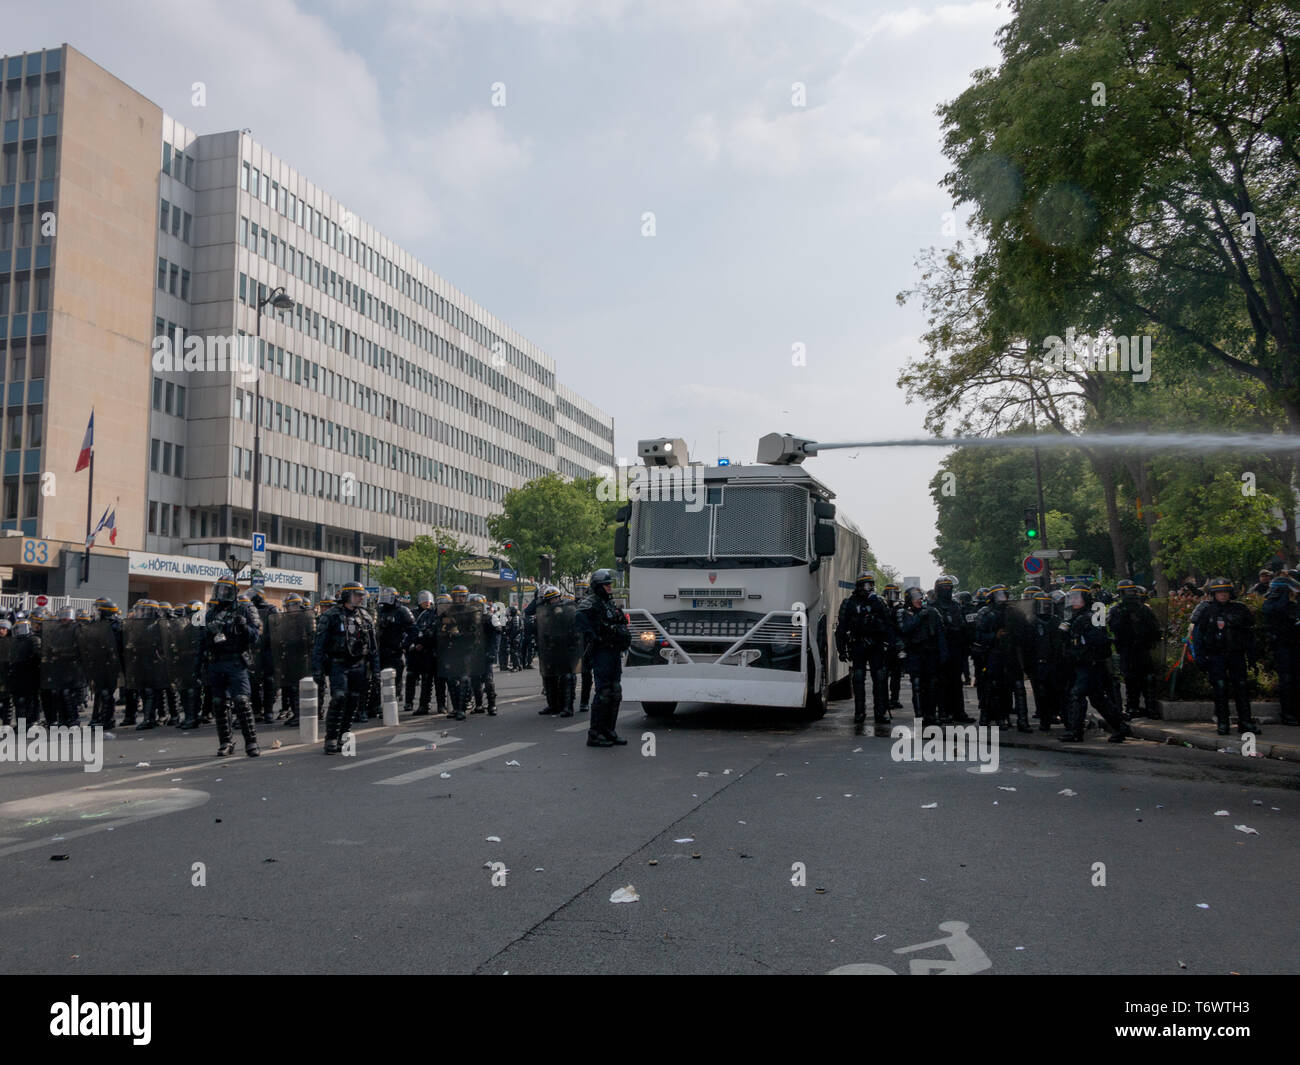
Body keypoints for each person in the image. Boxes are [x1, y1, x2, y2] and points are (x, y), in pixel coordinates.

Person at [312, 580, 380, 753]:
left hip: (359, 665)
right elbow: (319, 645)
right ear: (346, 596)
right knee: (339, 697)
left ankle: (344, 736)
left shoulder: (365, 616)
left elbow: (373, 647)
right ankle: (331, 738)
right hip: (338, 664)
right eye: (357, 595)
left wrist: (376, 670)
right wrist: (317, 670)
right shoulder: (331, 616)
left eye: (361, 595)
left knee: (353, 701)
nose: (360, 598)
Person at [1059, 584, 1130, 743]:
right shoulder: (1076, 617)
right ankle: (1120, 727)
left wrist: (1080, 654)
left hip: (1089, 664)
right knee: (1098, 699)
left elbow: (1097, 642)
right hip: (1085, 664)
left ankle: (1075, 732)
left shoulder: (1088, 618)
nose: (1074, 600)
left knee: (1078, 694)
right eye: (1072, 597)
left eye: (1078, 597)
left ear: (1086, 599)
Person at [201, 576, 262, 757]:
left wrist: (243, 627)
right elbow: (201, 642)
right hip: (217, 661)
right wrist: (209, 633)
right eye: (219, 590)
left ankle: (251, 742)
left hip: (236, 661)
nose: (221, 593)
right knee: (219, 703)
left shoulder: (244, 609)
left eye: (226, 590)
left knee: (242, 702)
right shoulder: (211, 612)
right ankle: (226, 742)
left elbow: (255, 637)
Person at [1193, 577, 1261, 736]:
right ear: (1213, 594)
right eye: (1219, 592)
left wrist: (1252, 657)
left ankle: (1245, 722)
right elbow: (1198, 636)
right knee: (1220, 688)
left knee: (1242, 687)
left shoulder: (1240, 609)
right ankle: (1223, 722)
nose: (1223, 595)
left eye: (1225, 592)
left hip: (1236, 655)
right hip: (1216, 656)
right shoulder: (1206, 610)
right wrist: (1200, 657)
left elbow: (1249, 635)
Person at [835, 572, 897, 733]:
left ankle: (880, 712)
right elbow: (841, 628)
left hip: (876, 645)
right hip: (858, 644)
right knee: (858, 678)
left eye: (870, 584)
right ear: (858, 586)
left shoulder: (879, 602)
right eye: (865, 585)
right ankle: (859, 712)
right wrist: (841, 649)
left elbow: (889, 625)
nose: (867, 588)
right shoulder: (849, 603)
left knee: (880, 678)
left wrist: (892, 646)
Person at [575, 569, 630, 747]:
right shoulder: (589, 604)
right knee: (604, 692)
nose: (609, 587)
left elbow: (619, 621)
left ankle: (609, 731)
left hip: (613, 651)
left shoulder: (608, 603)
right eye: (606, 584)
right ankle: (595, 733)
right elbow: (580, 620)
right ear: (598, 586)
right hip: (601, 652)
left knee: (615, 692)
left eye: (609, 584)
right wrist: (594, 636)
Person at [973, 585, 1027, 731]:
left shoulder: (1014, 612)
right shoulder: (985, 613)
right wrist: (994, 636)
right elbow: (978, 636)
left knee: (1018, 686)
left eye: (1004, 595)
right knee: (994, 687)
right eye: (999, 596)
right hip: (994, 654)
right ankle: (996, 717)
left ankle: (1022, 720)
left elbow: (1024, 631)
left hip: (1012, 653)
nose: (1003, 598)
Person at [1108, 579, 1163, 719]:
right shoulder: (1116, 610)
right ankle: (1132, 707)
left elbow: (1155, 628)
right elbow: (1113, 628)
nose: (1130, 594)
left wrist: (1152, 639)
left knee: (1148, 678)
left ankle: (1151, 708)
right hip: (1126, 649)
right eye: (1126, 592)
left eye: (1131, 591)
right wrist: (1124, 614)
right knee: (1130, 679)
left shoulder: (1144, 609)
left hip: (1143, 648)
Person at [897, 585, 946, 730]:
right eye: (915, 598)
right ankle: (920, 716)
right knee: (917, 685)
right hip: (915, 653)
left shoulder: (932, 612)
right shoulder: (904, 613)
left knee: (932, 685)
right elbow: (904, 629)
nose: (918, 601)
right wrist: (918, 616)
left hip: (930, 653)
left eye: (920, 598)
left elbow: (940, 634)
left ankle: (931, 715)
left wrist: (943, 654)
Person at [1020, 590, 1066, 731]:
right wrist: (1027, 666)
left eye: (1047, 604)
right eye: (1042, 604)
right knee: (1041, 693)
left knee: (1056, 691)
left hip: (1054, 662)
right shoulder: (1030, 622)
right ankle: (1044, 719)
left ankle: (1055, 714)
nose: (1045, 607)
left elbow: (1063, 641)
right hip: (1037, 663)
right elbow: (1025, 646)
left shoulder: (1056, 620)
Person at [930, 576, 973, 724]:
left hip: (956, 648)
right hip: (940, 649)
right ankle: (944, 712)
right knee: (942, 682)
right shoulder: (933, 606)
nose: (948, 590)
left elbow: (962, 624)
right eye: (945, 588)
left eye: (950, 588)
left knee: (956, 681)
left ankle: (959, 712)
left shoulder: (955, 605)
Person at [1261, 572, 1300, 726]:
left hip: (1295, 647)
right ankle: (1287, 714)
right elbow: (1274, 611)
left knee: (1296, 680)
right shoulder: (1271, 604)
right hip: (1282, 648)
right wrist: (1283, 595)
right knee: (1287, 681)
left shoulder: (1294, 605)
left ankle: (1296, 712)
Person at [374, 587, 414, 718]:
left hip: (394, 651)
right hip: (380, 650)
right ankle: (375, 707)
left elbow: (413, 631)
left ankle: (392, 706)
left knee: (394, 680)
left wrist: (404, 644)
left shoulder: (402, 611)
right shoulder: (379, 611)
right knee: (376, 680)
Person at [404, 590, 438, 715]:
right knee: (411, 675)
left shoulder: (432, 614)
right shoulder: (412, 613)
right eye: (424, 600)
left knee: (426, 678)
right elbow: (408, 631)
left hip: (426, 650)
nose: (427, 602)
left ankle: (425, 703)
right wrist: (411, 644)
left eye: (428, 600)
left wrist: (423, 643)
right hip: (414, 651)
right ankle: (409, 702)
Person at [468, 593, 500, 715]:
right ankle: (479, 705)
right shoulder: (467, 620)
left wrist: (493, 652)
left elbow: (496, 637)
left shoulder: (490, 618)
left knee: (488, 679)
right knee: (475, 680)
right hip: (473, 654)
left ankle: (492, 705)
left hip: (486, 652)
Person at [881, 584, 904, 709]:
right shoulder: (880, 607)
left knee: (896, 676)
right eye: (890, 594)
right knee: (882, 676)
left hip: (896, 646)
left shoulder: (900, 609)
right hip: (883, 646)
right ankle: (883, 700)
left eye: (895, 594)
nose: (893, 597)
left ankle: (894, 699)